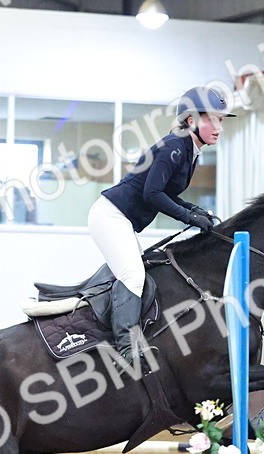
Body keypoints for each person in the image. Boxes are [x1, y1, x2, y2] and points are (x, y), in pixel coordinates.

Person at [91, 85, 234, 366]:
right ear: (191, 120)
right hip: (109, 216)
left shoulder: (189, 148)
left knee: (137, 273)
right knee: (133, 276)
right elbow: (152, 194)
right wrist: (189, 217)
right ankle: (126, 351)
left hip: (120, 219)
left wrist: (194, 209)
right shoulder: (173, 146)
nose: (219, 127)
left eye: (221, 120)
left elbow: (164, 192)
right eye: (212, 119)